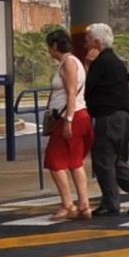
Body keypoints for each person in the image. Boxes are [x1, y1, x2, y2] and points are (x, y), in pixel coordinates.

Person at [81, 22, 129, 221]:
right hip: (122, 117)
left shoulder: (101, 63)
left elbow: (86, 87)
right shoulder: (117, 61)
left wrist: (86, 65)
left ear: (96, 42)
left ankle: (111, 202)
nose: (85, 45)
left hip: (108, 117)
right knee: (115, 159)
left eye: (87, 41)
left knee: (103, 160)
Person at [41, 28, 95, 220]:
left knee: (54, 161)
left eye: (49, 47)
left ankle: (68, 204)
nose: (49, 51)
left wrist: (68, 121)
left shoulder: (68, 63)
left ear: (55, 46)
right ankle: (84, 205)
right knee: (75, 162)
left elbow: (72, 92)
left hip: (71, 117)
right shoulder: (75, 62)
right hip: (78, 115)